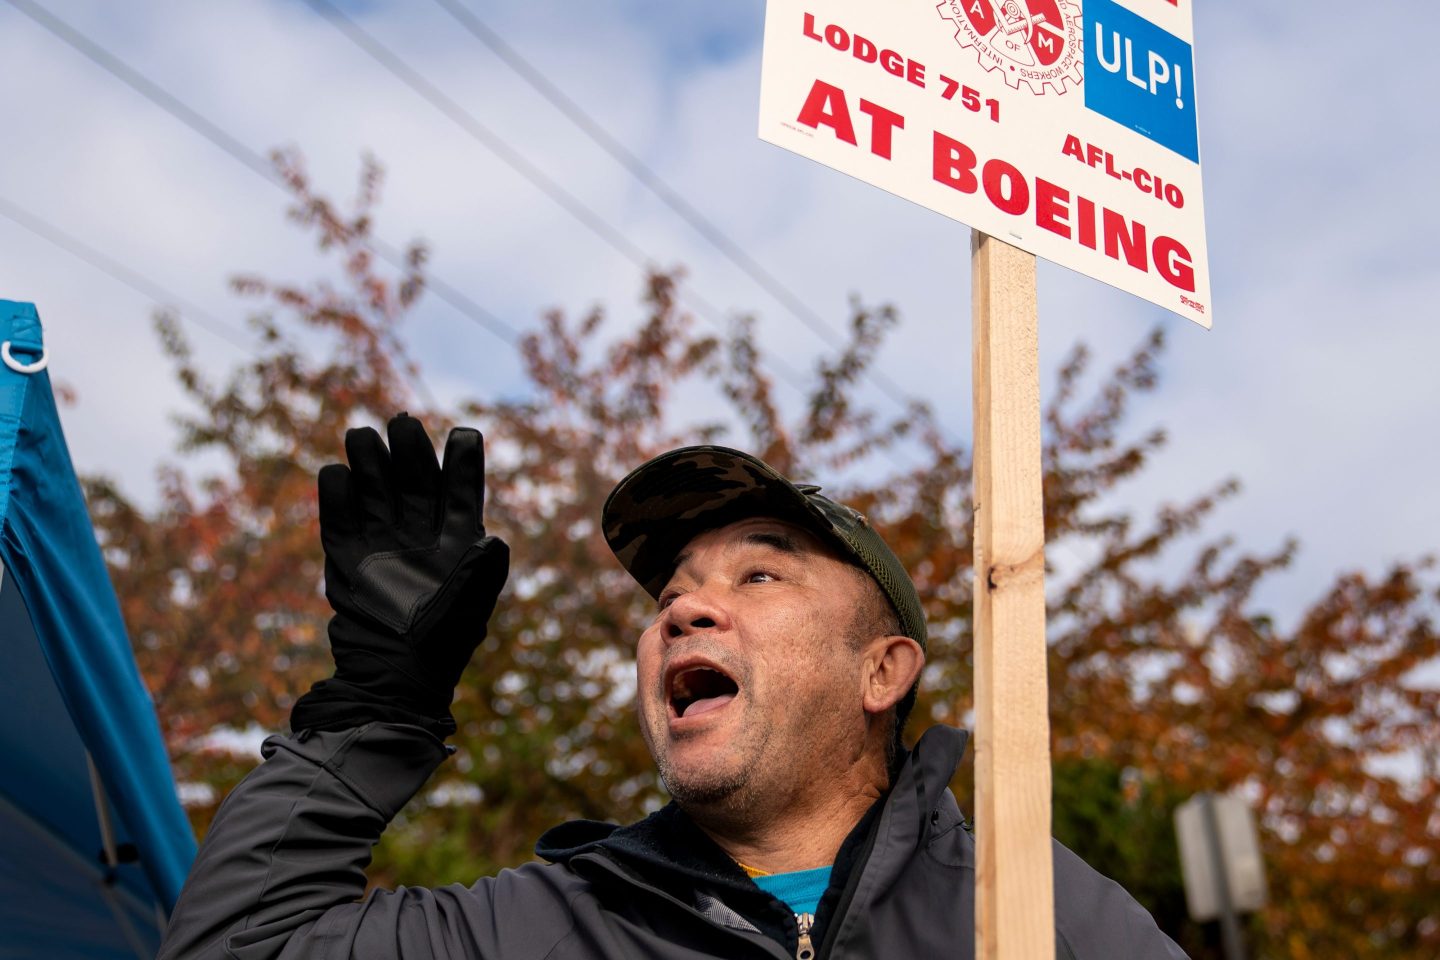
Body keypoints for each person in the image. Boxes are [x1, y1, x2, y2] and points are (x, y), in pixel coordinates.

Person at [158, 414, 1188, 960]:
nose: (682, 612)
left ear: (883, 671)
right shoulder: (548, 925)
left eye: (759, 573)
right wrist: (373, 712)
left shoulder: (1030, 918)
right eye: (672, 596)